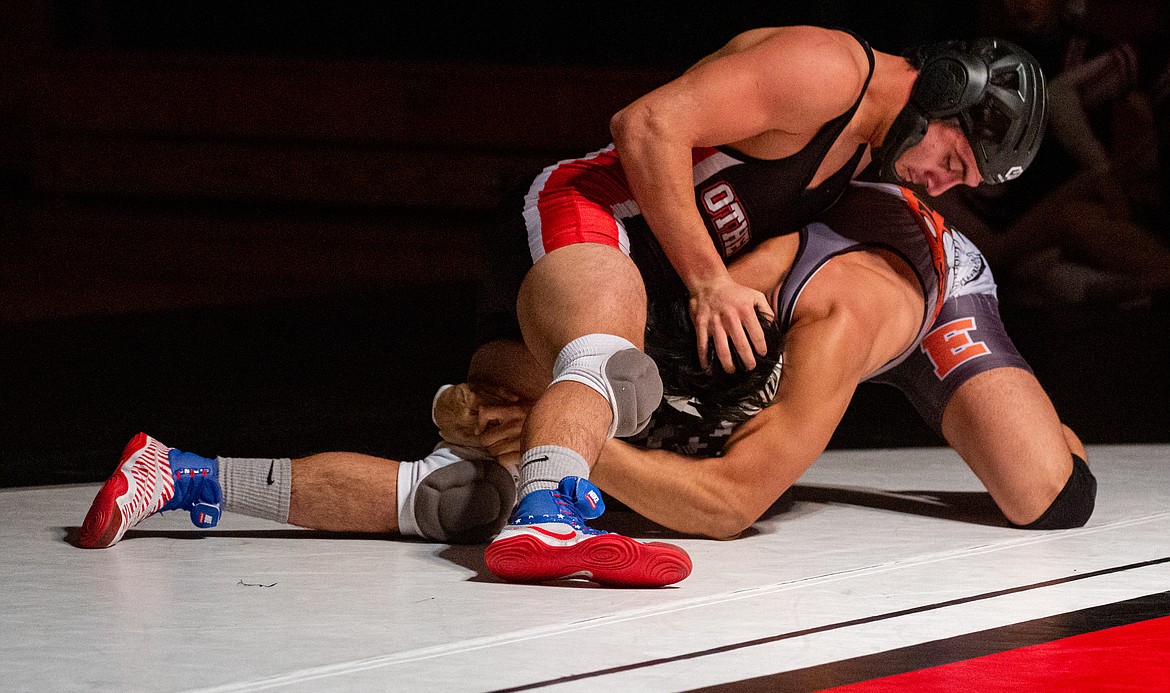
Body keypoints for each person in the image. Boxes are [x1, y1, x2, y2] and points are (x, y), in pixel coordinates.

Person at [77, 183, 1095, 587]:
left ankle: (554, 493)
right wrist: (498, 416)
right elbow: (489, 384)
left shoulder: (832, 321)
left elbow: (737, 504)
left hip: (666, 429)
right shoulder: (648, 320)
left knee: (1055, 494)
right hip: (624, 385)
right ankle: (180, 472)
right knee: (463, 475)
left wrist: (563, 448)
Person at [484, 25, 1048, 585]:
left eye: (962, 181)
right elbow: (646, 125)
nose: (941, 184)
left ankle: (448, 480)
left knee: (598, 410)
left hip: (661, 280)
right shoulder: (828, 69)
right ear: (947, 90)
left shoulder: (860, 146)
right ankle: (545, 516)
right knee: (606, 364)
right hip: (592, 210)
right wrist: (708, 281)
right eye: (953, 160)